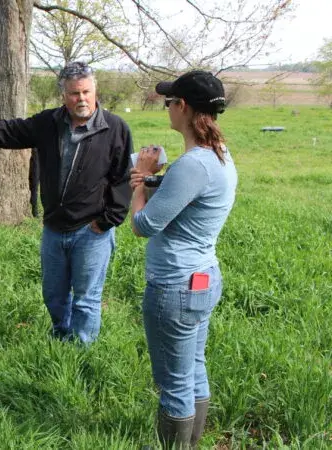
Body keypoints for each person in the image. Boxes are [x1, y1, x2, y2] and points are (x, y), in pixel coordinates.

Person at [0, 61, 133, 345]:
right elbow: (9, 131)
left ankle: (82, 354)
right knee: (54, 295)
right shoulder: (48, 123)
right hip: (54, 228)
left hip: (91, 231)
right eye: (75, 93)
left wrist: (106, 221)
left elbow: (123, 178)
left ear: (95, 89)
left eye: (87, 92)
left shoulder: (115, 128)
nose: (82, 99)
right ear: (63, 94)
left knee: (87, 299)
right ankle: (60, 338)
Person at [130, 71, 237, 449]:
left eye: (169, 102)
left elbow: (144, 225)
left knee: (173, 382)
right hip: (202, 279)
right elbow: (187, 194)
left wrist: (141, 181)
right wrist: (156, 179)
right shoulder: (218, 156)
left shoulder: (193, 165)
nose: (168, 109)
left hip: (174, 286)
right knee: (193, 368)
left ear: (184, 108)